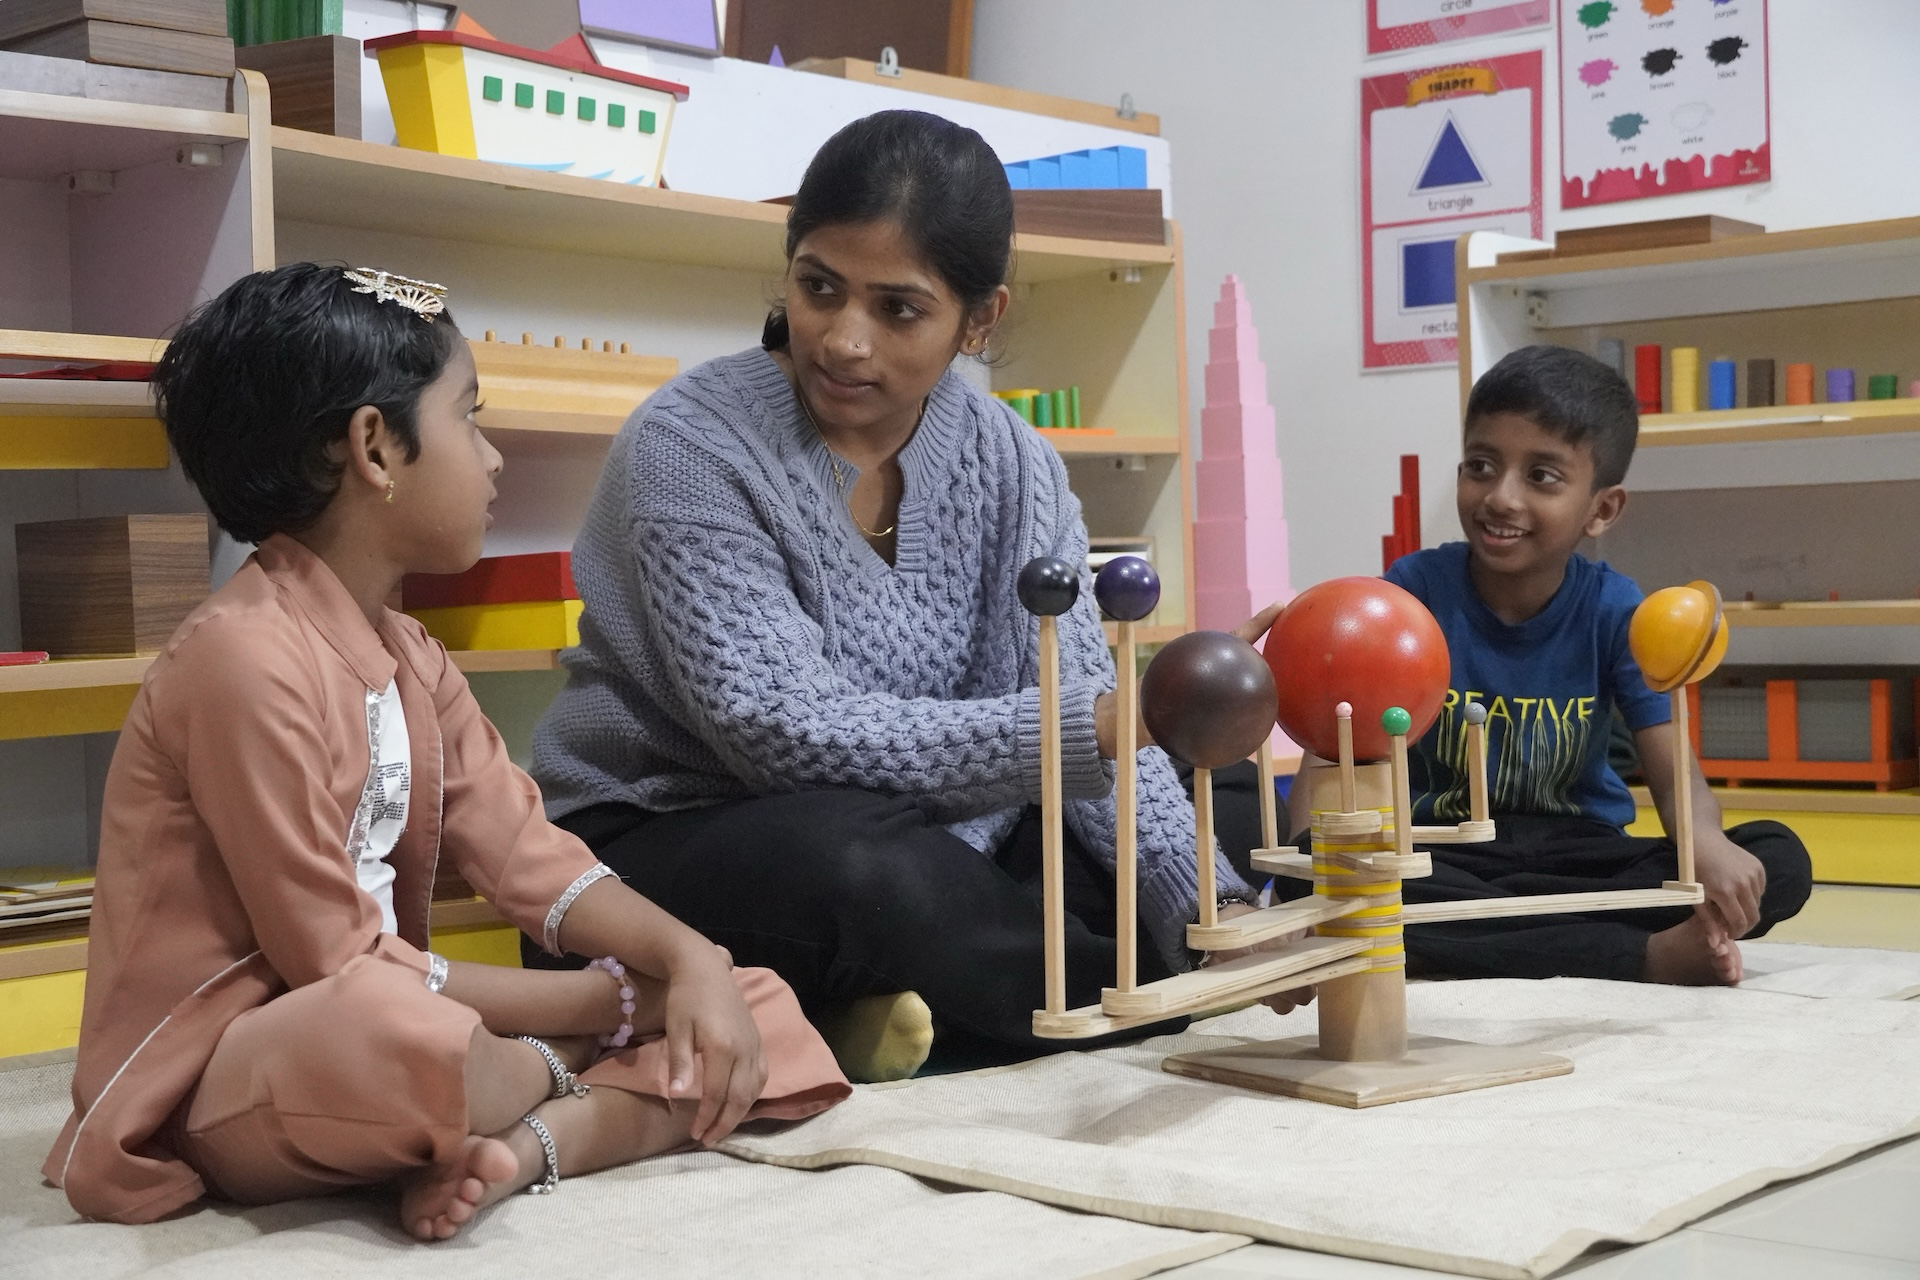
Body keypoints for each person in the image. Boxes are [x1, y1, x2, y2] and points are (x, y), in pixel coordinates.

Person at [44, 264, 847, 1237]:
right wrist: (599, 1005)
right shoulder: (240, 660)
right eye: (469, 417)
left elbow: (528, 856)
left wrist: (689, 957)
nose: (493, 456)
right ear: (376, 449)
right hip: (233, 1069)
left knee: (753, 1000)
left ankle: (525, 1146)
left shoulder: (411, 654)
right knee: (392, 1035)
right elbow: (335, 964)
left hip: (409, 1017)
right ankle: (562, 1076)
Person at [528, 110, 1301, 1081]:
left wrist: (1214, 907)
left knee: (1202, 797)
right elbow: (781, 733)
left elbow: (1088, 725)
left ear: (980, 318)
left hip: (936, 835)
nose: (846, 340)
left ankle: (900, 1011)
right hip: (667, 843)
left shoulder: (1012, 462)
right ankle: (1119, 1003)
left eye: (898, 308)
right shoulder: (690, 445)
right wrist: (1098, 726)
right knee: (865, 867)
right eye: (818, 287)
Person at [1287, 344, 1811, 986]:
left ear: (1602, 510)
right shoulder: (1413, 591)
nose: (1500, 497)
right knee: (1321, 873)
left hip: (1580, 860)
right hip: (1444, 855)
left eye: (1542, 476)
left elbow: (1674, 773)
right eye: (1481, 466)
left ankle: (1450, 945)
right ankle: (1635, 956)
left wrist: (1704, 843)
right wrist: (1311, 863)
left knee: (1776, 858)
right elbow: (1336, 735)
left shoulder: (1618, 609)